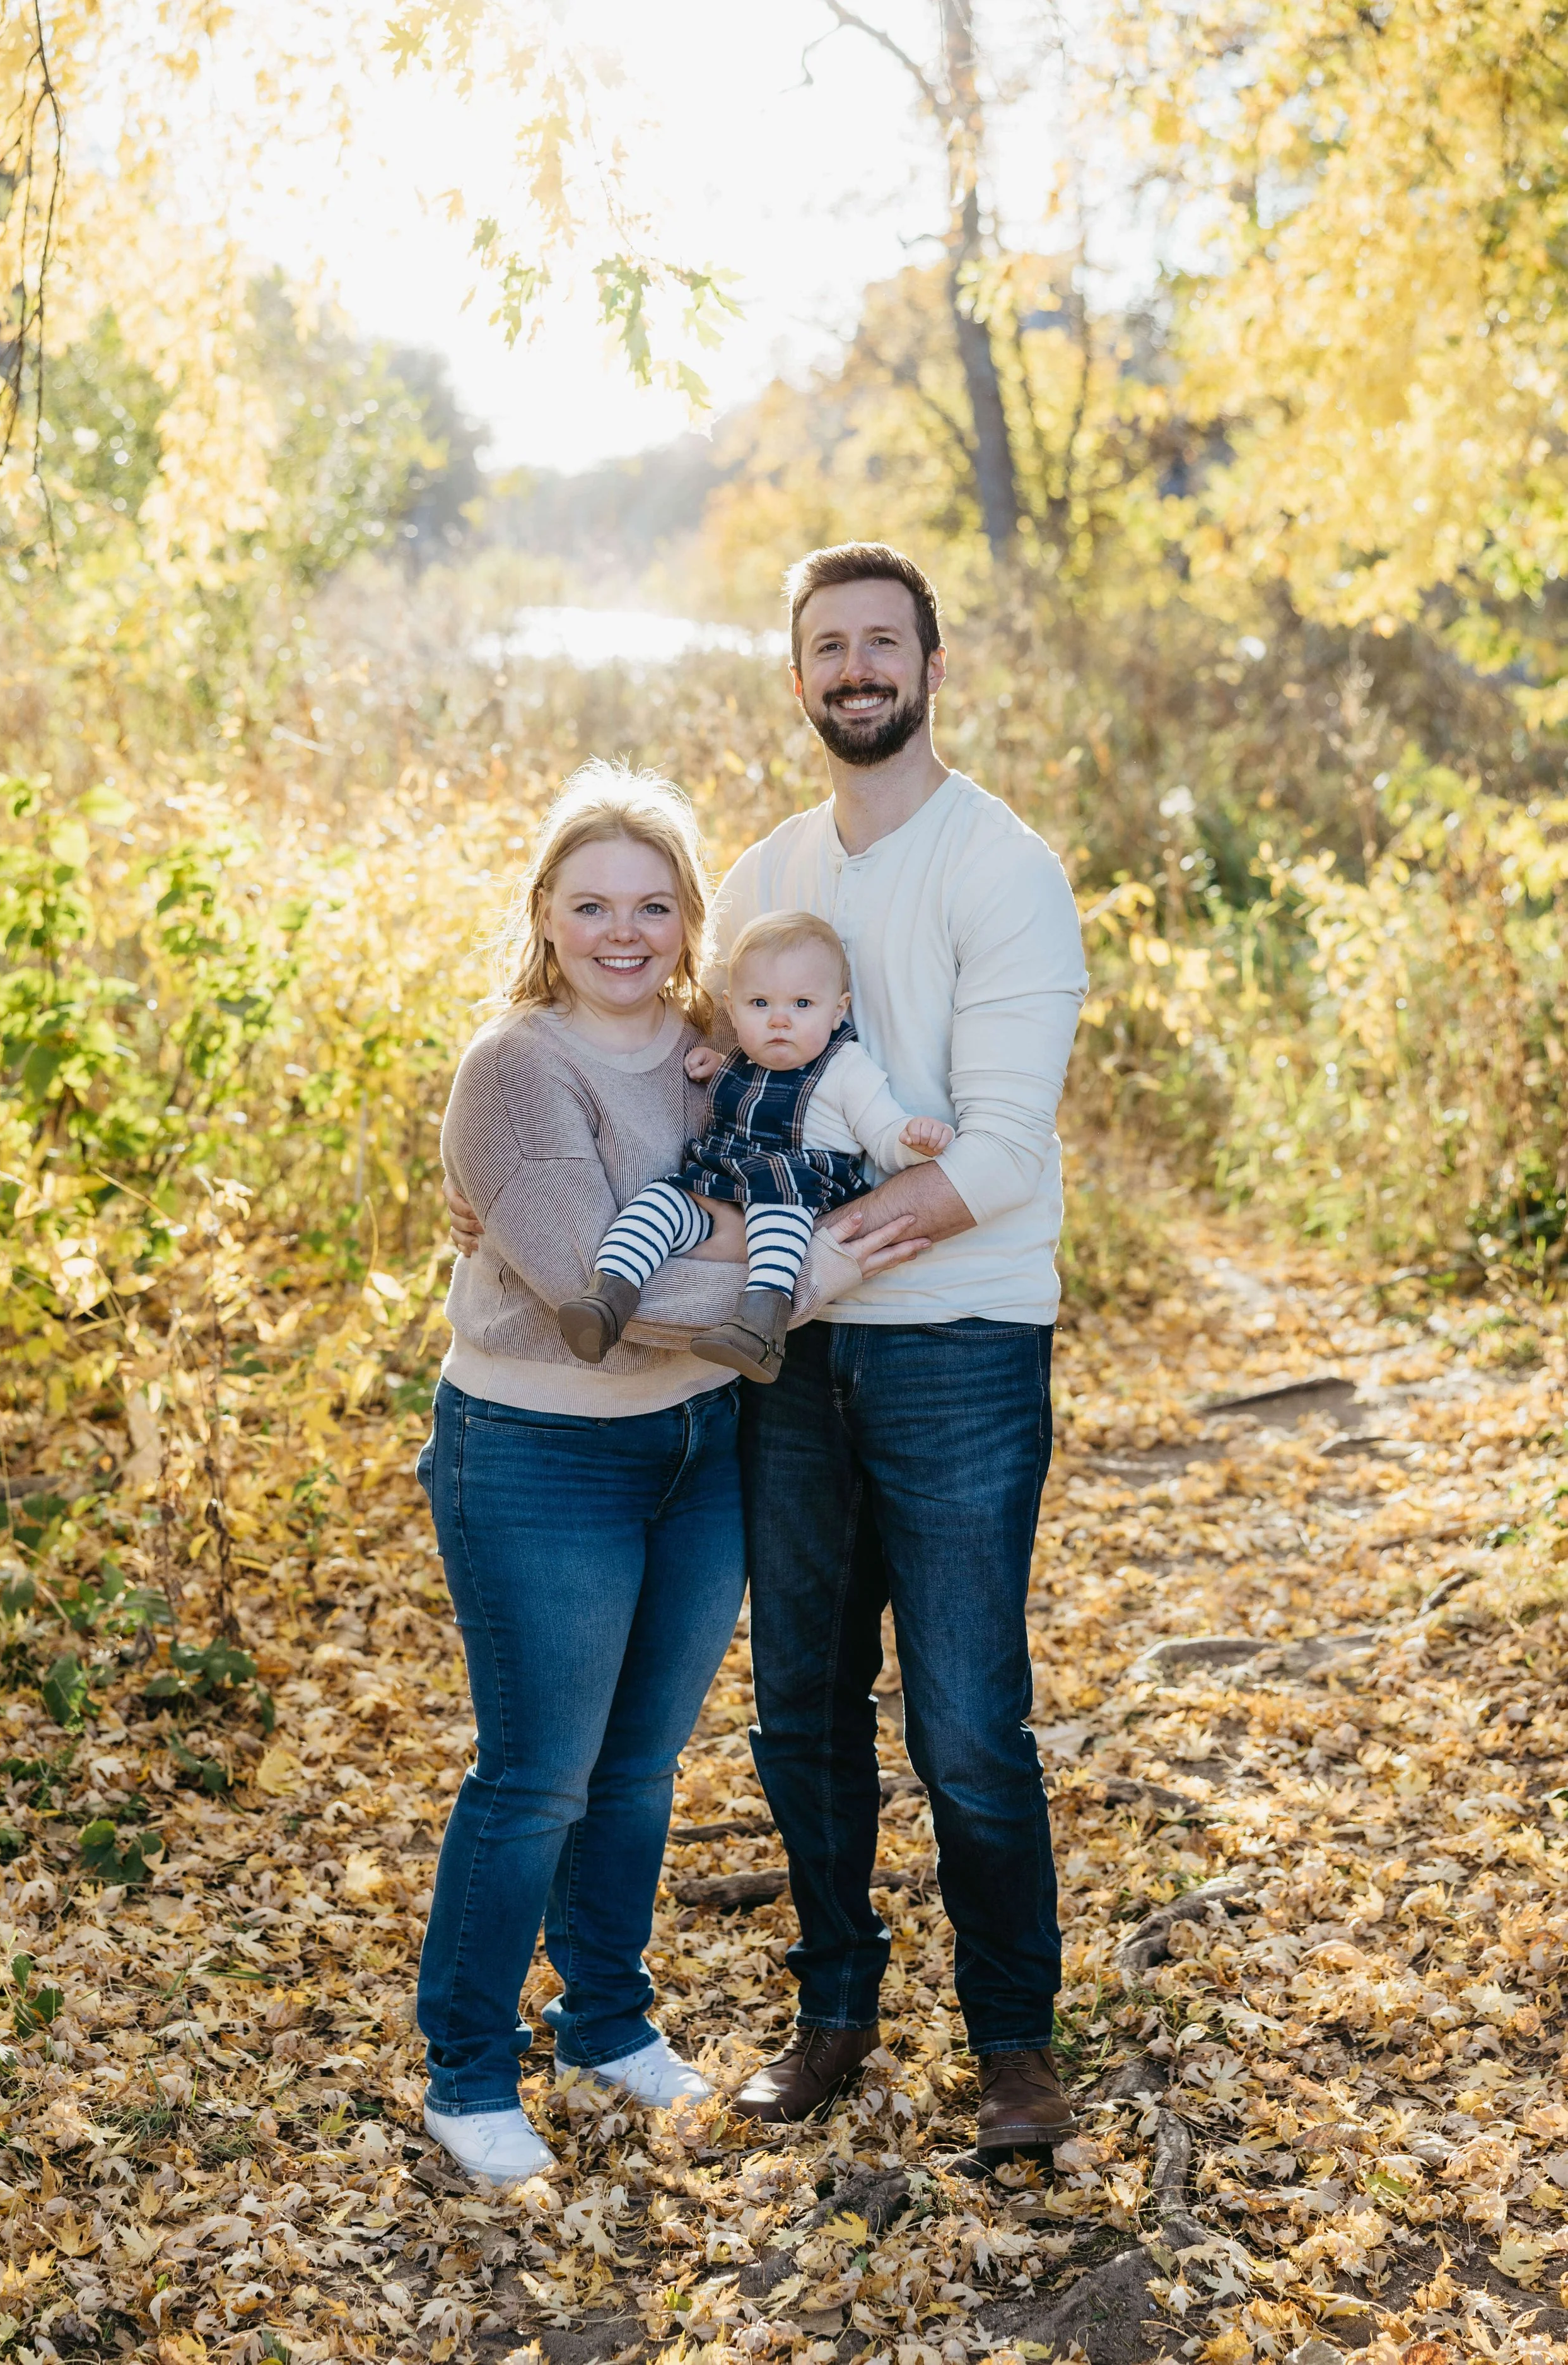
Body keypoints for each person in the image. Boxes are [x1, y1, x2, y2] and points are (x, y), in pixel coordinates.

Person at [448, 545, 1088, 2163]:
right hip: (778, 1368)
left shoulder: (1002, 869)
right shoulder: (761, 871)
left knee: (964, 1719)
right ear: (797, 677)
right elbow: (689, 1096)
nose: (857, 667)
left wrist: (804, 1260)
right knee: (800, 1706)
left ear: (931, 666)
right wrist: (528, 1207)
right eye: (830, 647)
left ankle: (1014, 2045)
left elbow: (1000, 1148)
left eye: (886, 642)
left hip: (952, 1343)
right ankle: (833, 2012)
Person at [417, 759, 922, 2185]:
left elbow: (827, 1125)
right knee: (537, 1778)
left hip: (702, 1442)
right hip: (538, 1449)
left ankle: (607, 2022)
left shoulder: (723, 1042)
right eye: (593, 904)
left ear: (692, 915)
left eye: (653, 903)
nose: (624, 930)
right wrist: (796, 1277)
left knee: (637, 1769)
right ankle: (466, 2069)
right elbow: (588, 1274)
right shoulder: (516, 1065)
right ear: (546, 914)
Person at [557, 910, 953, 1382]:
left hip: (795, 1189)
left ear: (838, 1009)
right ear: (733, 1007)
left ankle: (760, 1326)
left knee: (776, 1214)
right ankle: (610, 1295)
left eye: (803, 1004)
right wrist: (718, 1065)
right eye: (760, 1004)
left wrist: (912, 1141)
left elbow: (883, 1136)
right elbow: (746, 1088)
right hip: (718, 1182)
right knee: (658, 1201)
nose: (780, 1021)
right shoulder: (741, 1058)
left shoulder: (848, 1069)